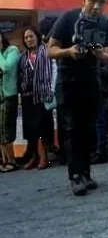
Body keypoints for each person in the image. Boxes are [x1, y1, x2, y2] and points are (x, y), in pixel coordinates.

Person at [47, 0, 108, 196]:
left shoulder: (106, 24)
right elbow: (50, 49)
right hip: (68, 81)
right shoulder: (68, 18)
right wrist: (68, 52)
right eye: (92, 1)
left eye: (102, 2)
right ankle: (75, 175)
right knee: (72, 129)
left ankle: (86, 173)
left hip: (92, 81)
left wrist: (99, 54)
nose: (96, 6)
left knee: (88, 129)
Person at [18, 26, 54, 171]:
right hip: (28, 97)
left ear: (37, 36)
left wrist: (51, 89)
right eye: (26, 37)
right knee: (30, 128)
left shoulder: (47, 51)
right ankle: (34, 156)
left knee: (43, 127)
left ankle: (44, 156)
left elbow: (53, 70)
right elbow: (20, 75)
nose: (29, 39)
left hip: (43, 95)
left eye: (31, 36)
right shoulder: (23, 56)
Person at [0, 30, 20, 173]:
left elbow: (6, 67)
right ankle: (5, 160)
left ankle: (12, 161)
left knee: (6, 129)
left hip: (9, 95)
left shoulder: (12, 50)